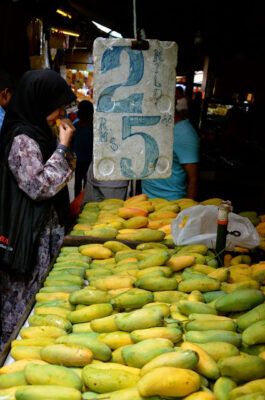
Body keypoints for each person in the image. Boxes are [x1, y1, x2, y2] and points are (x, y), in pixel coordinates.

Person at [0, 69, 76, 351]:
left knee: (38, 313)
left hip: (40, 238)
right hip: (26, 241)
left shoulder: (40, 132)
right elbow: (39, 187)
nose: (60, 113)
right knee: (21, 319)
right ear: (38, 101)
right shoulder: (22, 140)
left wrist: (62, 147)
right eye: (56, 106)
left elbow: (62, 174)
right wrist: (63, 148)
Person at [141, 109, 199, 200]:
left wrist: (188, 210)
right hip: (146, 200)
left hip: (172, 203)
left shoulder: (185, 133)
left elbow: (194, 179)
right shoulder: (155, 125)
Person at [73, 100, 94, 198]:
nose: (80, 112)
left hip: (90, 161)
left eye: (83, 110)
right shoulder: (75, 127)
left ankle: (84, 202)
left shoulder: (94, 127)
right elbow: (71, 143)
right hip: (78, 161)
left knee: (88, 184)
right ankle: (77, 202)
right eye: (80, 110)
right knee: (77, 184)